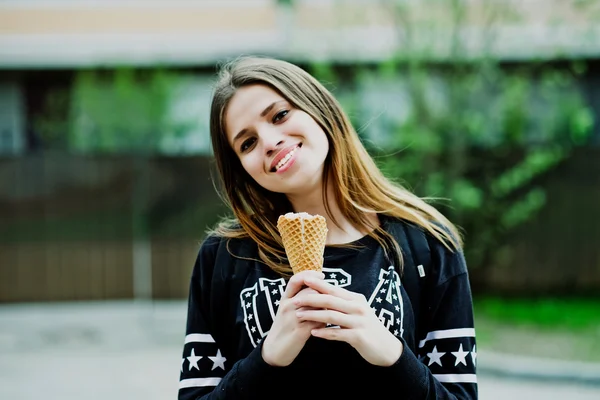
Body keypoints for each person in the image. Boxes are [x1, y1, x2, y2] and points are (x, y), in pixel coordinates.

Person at [178, 56, 477, 399]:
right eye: (247, 143)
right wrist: (267, 358)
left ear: (318, 107)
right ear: (241, 168)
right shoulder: (224, 256)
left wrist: (391, 354)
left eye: (280, 115)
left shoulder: (429, 242)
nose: (270, 141)